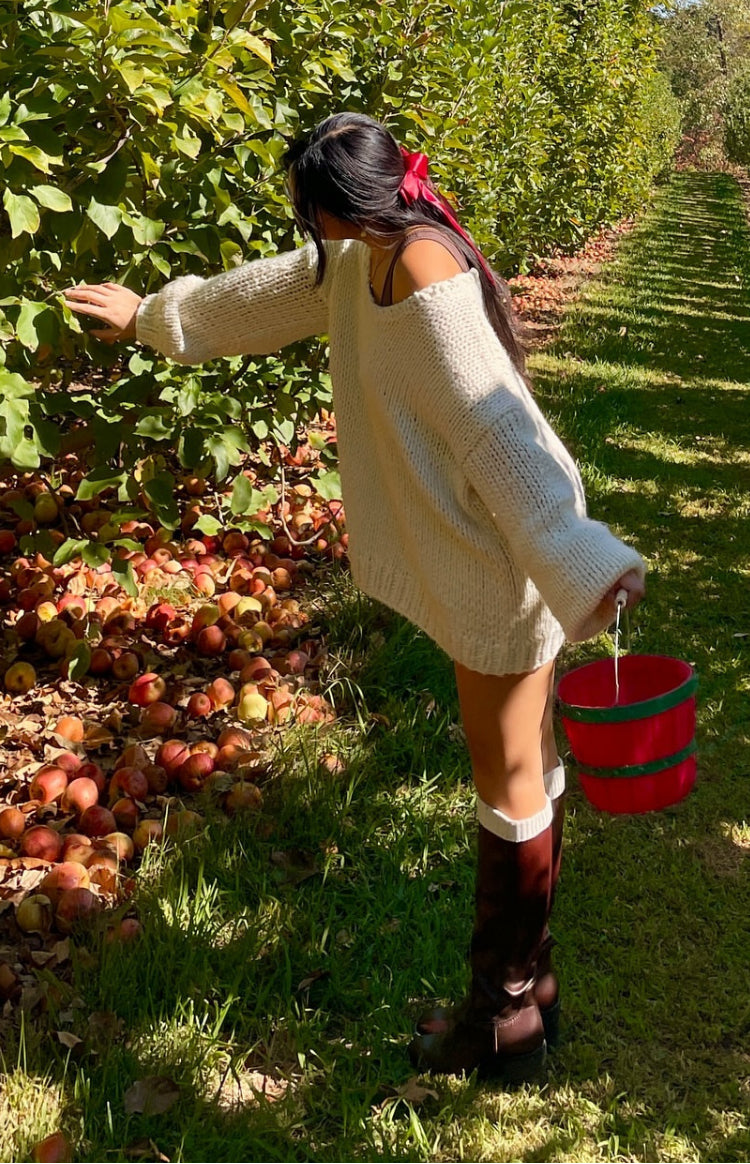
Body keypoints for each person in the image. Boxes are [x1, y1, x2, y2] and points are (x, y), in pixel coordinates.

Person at [64, 111, 645, 1084]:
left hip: (503, 566)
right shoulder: (359, 254)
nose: (311, 236)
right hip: (478, 555)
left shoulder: (425, 279)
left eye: (312, 216)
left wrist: (583, 557)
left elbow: (504, 437)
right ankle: (530, 992)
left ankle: (503, 1017)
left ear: (342, 207)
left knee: (510, 777)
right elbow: (260, 297)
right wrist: (152, 316)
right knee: (524, 767)